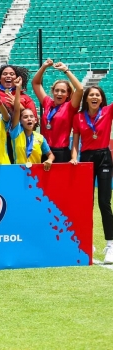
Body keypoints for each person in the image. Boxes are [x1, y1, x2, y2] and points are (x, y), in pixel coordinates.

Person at [71, 86, 113, 263]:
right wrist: (74, 158)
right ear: (86, 99)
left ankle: (110, 245)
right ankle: (87, 243)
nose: (94, 97)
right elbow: (75, 142)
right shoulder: (78, 117)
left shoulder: (108, 111)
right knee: (86, 203)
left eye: (97, 95)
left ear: (102, 99)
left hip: (104, 156)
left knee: (104, 201)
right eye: (91, 95)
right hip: (86, 159)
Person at [31, 59, 84, 163]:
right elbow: (36, 83)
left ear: (68, 94)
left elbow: (80, 89)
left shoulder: (70, 107)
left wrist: (66, 70)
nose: (59, 93)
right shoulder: (47, 102)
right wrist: (44, 67)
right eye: (57, 90)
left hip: (62, 152)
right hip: (45, 150)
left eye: (63, 91)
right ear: (53, 91)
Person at [10, 77, 54, 169]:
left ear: (35, 120)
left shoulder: (40, 138)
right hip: (18, 171)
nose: (29, 119)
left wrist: (49, 160)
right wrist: (18, 88)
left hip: (35, 175)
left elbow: (50, 155)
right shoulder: (16, 133)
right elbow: (17, 109)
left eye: (31, 117)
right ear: (20, 121)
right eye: (25, 117)